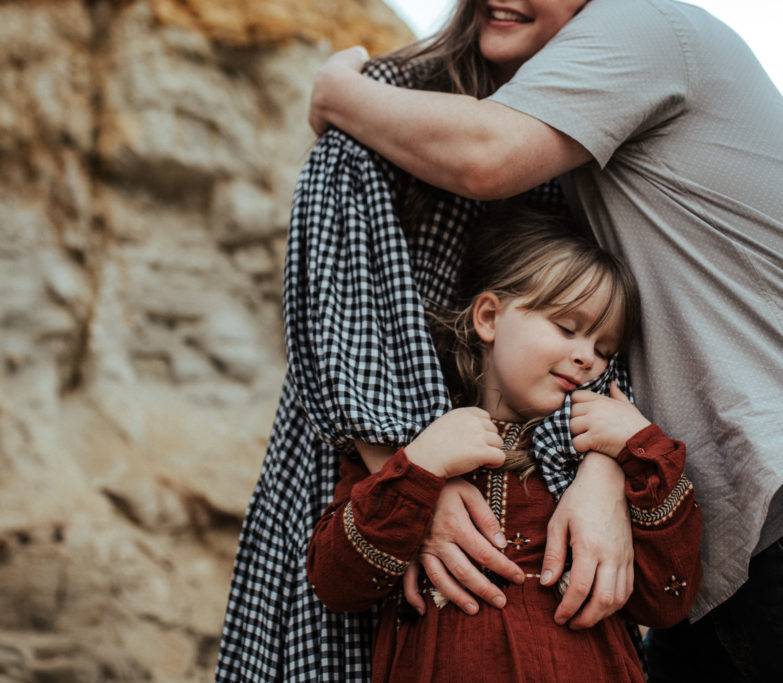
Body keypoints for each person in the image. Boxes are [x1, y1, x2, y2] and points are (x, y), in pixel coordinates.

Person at [307, 0, 783, 679]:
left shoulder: (640, 24)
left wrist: (337, 92)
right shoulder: (578, 135)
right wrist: (594, 469)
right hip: (707, 571)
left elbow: (486, 154)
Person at [217, 3, 645, 680]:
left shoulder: (598, 141)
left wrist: (603, 472)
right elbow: (337, 308)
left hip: (539, 472)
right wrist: (415, 477)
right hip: (370, 460)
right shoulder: (387, 98)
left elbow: (610, 330)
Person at [305, 211, 701, 681]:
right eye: (567, 327)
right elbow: (335, 582)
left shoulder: (600, 464)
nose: (587, 356)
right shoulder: (413, 444)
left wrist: (640, 446)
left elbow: (668, 599)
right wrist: (420, 464)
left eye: (605, 350)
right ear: (490, 317)